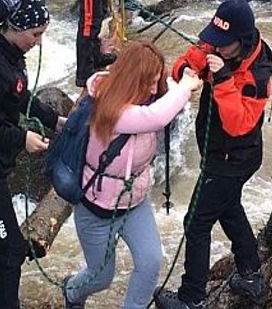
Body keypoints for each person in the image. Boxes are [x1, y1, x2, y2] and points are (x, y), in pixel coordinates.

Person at [154, 0, 272, 309]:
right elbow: (187, 59)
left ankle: (191, 298)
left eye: (224, 43)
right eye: (216, 40)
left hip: (234, 159)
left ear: (242, 41)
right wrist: (187, 72)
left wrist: (221, 80)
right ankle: (251, 274)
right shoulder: (219, 45)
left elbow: (238, 125)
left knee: (196, 223)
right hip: (218, 153)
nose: (217, 47)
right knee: (229, 208)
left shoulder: (257, 75)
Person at [63, 41, 203, 309]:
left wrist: (188, 75)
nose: (154, 89)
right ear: (132, 79)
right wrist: (185, 87)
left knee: (150, 262)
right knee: (100, 277)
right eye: (150, 82)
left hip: (134, 202)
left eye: (157, 81)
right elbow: (155, 117)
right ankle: (72, 291)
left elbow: (165, 104)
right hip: (96, 209)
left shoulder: (145, 100)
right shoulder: (108, 106)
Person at [0, 0, 66, 309]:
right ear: (14, 27)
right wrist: (21, 138)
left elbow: (22, 95)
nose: (38, 42)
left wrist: (54, 120)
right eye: (35, 34)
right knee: (10, 249)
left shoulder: (11, 55)